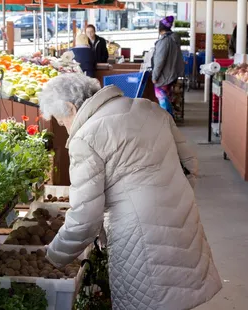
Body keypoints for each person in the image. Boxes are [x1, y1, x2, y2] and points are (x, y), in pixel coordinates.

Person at [39, 73, 222, 310]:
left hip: (136, 237)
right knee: (177, 296)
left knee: (147, 301)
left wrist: (54, 255)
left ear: (70, 107)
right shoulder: (149, 109)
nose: (63, 128)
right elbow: (189, 164)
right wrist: (172, 196)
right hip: (182, 217)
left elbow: (85, 218)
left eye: (61, 121)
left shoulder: (85, 137)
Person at [152, 16, 184, 117]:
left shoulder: (164, 41)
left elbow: (159, 61)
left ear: (160, 28)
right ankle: (169, 119)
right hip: (172, 75)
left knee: (162, 99)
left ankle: (167, 120)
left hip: (164, 76)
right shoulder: (174, 39)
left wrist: (154, 77)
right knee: (167, 98)